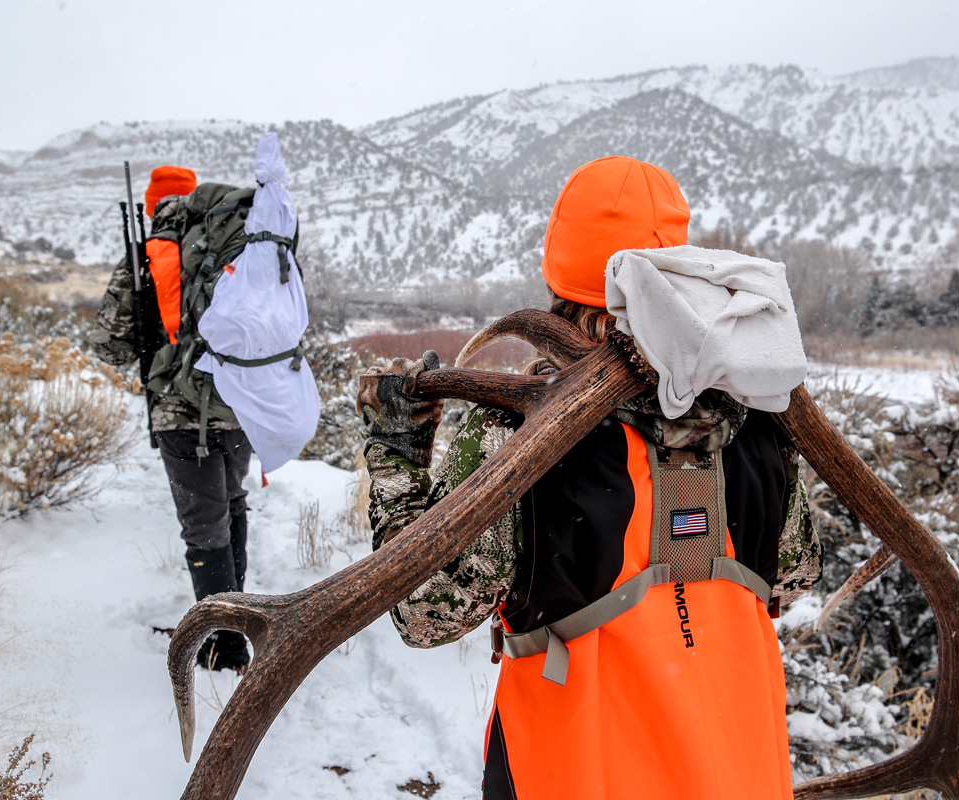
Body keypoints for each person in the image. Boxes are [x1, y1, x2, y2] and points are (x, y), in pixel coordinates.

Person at [358, 156, 819, 799]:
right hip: (734, 766)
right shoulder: (762, 416)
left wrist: (394, 450)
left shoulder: (516, 430)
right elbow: (795, 571)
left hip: (574, 770)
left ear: (559, 276)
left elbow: (425, 612)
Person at [91, 165, 253, 673]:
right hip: (241, 404)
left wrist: (151, 336)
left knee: (204, 528)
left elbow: (109, 345)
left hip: (180, 416)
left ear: (151, 205)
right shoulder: (235, 245)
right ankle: (238, 623)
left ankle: (223, 649)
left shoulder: (148, 254)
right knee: (230, 507)